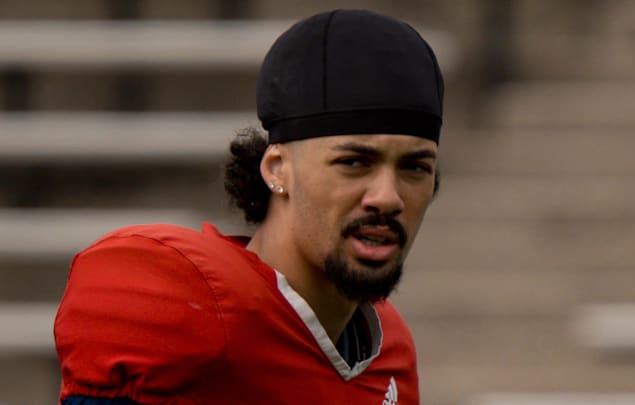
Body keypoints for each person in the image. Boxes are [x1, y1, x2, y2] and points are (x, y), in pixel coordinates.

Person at [54, 8, 444, 405]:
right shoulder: (192, 309)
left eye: (414, 167)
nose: (387, 196)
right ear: (278, 169)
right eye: (354, 162)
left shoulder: (387, 353)